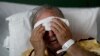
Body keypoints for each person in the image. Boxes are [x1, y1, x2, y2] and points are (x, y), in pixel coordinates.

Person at [22, 5, 100, 56]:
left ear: (65, 26)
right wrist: (39, 51)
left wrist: (68, 43)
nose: (51, 34)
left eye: (56, 25)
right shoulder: (28, 54)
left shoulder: (90, 45)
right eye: (43, 29)